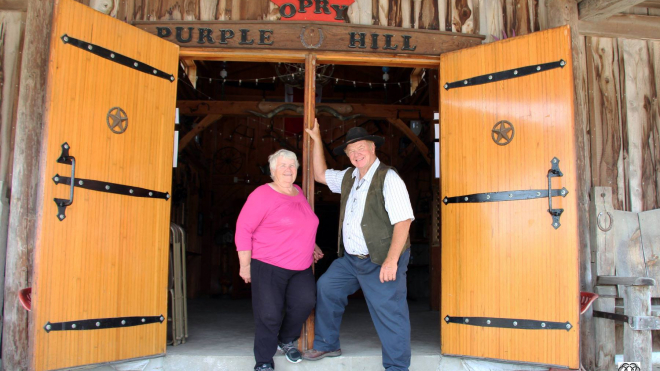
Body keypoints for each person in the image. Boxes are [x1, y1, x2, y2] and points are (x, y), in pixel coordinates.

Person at [303, 120, 414, 371]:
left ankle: (397, 367)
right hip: (352, 260)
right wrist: (317, 138)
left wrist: (391, 260)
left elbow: (404, 221)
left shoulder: (388, 177)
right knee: (327, 287)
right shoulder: (349, 177)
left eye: (361, 148)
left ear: (373, 148)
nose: (356, 154)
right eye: (351, 151)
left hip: (381, 259)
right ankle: (328, 343)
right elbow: (320, 174)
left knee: (390, 312)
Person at [235, 149, 324, 371]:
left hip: (300, 266)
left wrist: (311, 244)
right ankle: (264, 360)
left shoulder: (298, 191)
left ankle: (285, 340)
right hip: (268, 264)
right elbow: (243, 230)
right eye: (282, 165)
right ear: (273, 170)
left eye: (292, 165)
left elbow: (300, 223)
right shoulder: (262, 195)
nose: (288, 169)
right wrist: (245, 265)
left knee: (305, 303)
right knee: (269, 314)